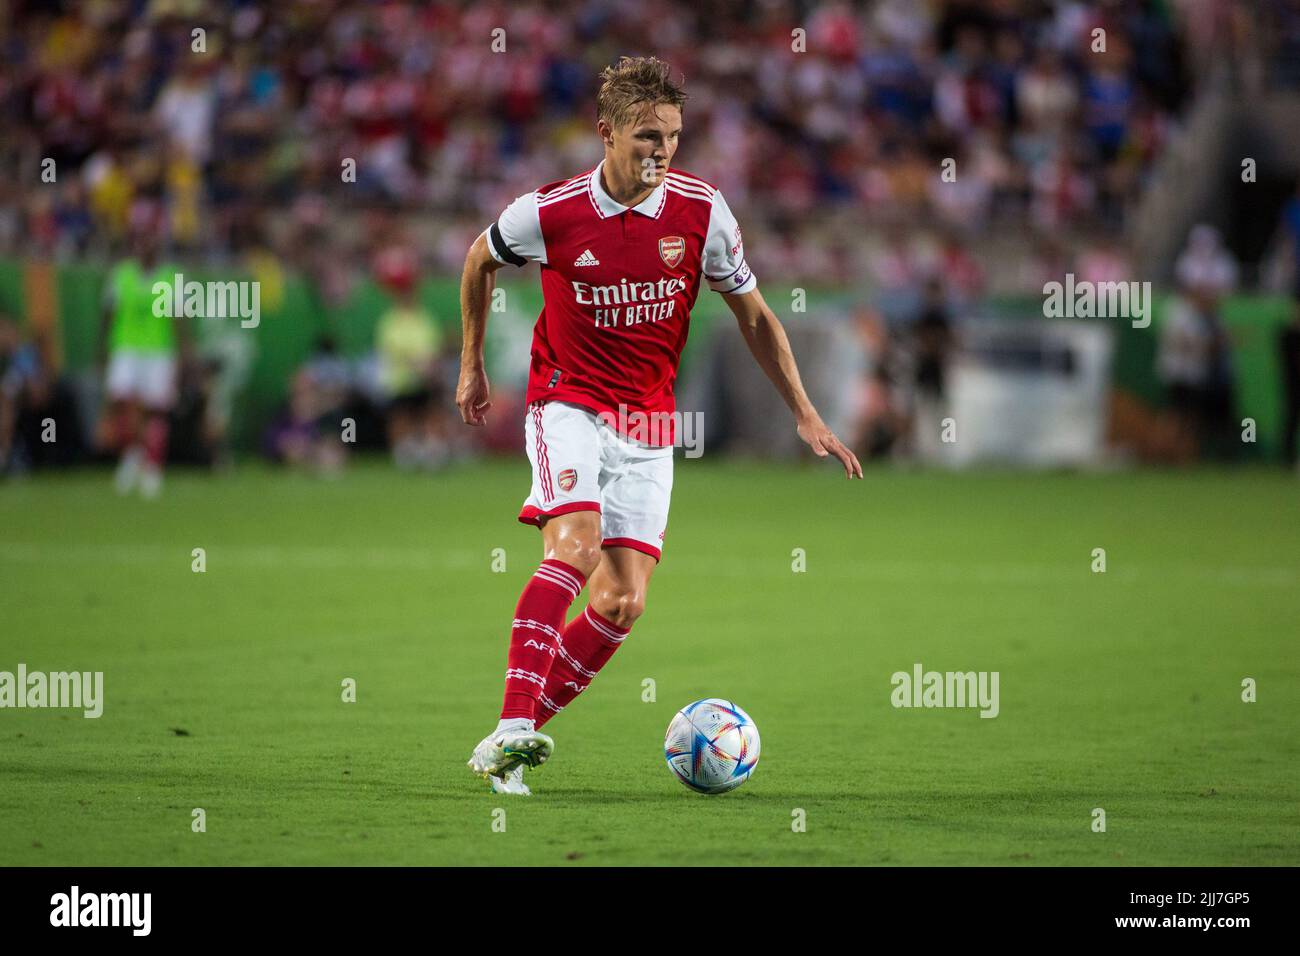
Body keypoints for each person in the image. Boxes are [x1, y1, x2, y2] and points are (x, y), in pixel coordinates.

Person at [456, 57, 862, 796]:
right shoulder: (547, 212)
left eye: (674, 136)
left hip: (648, 420)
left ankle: (509, 740)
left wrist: (806, 413)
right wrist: (472, 363)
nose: (663, 152)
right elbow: (479, 261)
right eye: (648, 136)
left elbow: (755, 316)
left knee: (621, 602)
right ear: (605, 133)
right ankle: (516, 725)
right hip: (566, 402)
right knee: (574, 549)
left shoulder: (704, 213)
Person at [99, 215, 187, 497]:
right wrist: (101, 349)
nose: (145, 246)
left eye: (150, 240)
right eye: (141, 240)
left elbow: (178, 317)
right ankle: (132, 454)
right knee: (123, 403)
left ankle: (152, 466)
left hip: (159, 350)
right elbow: (109, 313)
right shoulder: (121, 274)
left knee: (155, 409)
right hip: (126, 347)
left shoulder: (171, 277)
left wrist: (184, 351)